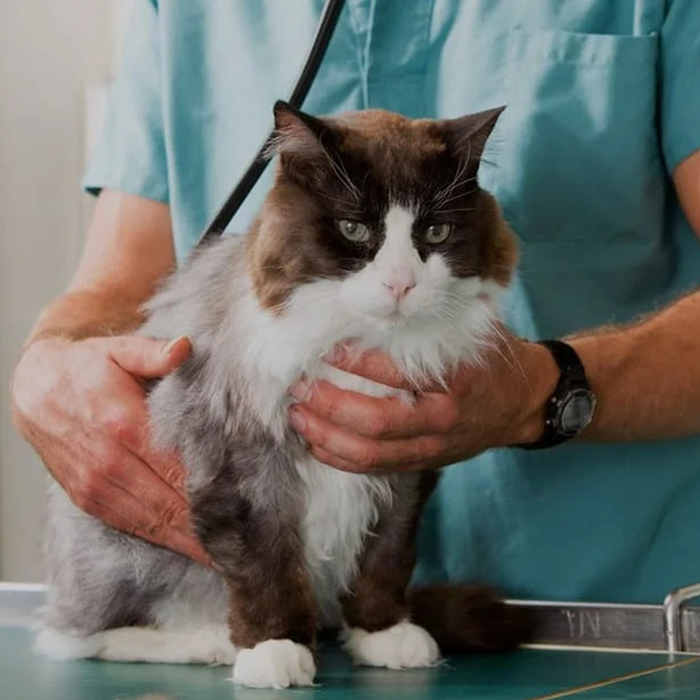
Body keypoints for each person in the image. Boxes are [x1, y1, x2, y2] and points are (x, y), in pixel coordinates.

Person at [10, 1, 700, 604]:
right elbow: (114, 291)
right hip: (260, 618)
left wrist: (539, 394)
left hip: (603, 622)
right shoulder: (179, 9)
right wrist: (46, 366)